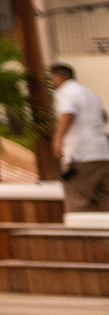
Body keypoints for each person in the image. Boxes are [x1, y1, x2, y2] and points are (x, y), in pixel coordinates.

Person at [53, 62, 109, 213]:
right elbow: (104, 116)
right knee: (105, 202)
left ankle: (80, 236)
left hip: (81, 155)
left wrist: (58, 140)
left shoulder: (65, 92)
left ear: (58, 78)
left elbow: (67, 113)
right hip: (103, 153)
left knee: (77, 200)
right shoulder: (92, 94)